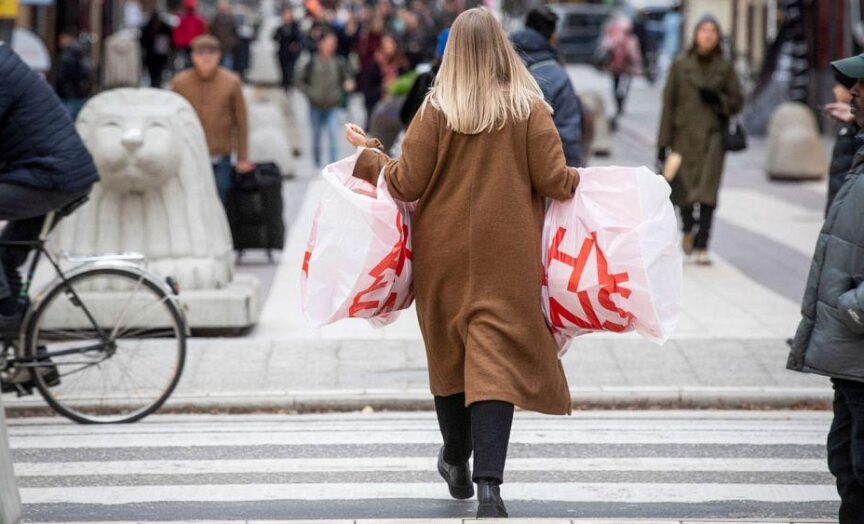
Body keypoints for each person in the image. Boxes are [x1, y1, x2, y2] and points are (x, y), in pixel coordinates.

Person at [344, 8, 579, 518]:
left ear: (452, 53)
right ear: (502, 48)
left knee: (450, 356)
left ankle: (455, 459)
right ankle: (490, 488)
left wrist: (369, 156)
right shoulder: (528, 107)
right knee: (496, 361)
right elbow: (557, 180)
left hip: (443, 254)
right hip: (509, 255)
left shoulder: (437, 109)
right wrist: (592, 183)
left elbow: (405, 183)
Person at [787, 51, 864, 524]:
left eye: (861, 86)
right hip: (851, 360)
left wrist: (852, 307)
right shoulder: (858, 150)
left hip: (857, 343)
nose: (852, 92)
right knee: (848, 467)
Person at [0, 43, 99, 332]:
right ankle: (34, 363)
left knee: (4, 282)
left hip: (51, 177)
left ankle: (5, 315)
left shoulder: (2, 71)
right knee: (6, 257)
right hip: (55, 175)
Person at [656, 15, 743, 265]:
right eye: (703, 30)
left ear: (718, 37)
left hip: (713, 140)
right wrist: (662, 144)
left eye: (712, 31)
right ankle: (688, 229)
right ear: (695, 34)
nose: (707, 35)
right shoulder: (680, 64)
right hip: (683, 139)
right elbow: (668, 105)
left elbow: (737, 101)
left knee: (708, 193)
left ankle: (702, 243)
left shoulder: (725, 67)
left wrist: (718, 100)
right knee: (682, 191)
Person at [171, 35, 252, 205]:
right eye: (201, 52)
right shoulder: (180, 83)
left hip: (220, 154)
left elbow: (241, 122)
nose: (206, 57)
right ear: (193, 56)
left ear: (219, 55)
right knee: (191, 198)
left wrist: (242, 157)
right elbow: (171, 119)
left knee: (219, 198)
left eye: (211, 52)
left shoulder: (231, 82)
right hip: (189, 153)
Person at [511, 5, 585, 168]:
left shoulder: (502, 62)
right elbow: (568, 134)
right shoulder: (558, 76)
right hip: (543, 171)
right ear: (553, 37)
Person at [295, 31, 353, 168]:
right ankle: (317, 163)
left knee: (333, 135)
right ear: (321, 44)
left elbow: (347, 78)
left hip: (333, 105)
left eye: (333, 43)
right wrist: (310, 93)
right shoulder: (311, 62)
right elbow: (299, 80)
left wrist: (347, 85)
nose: (331, 46)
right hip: (315, 105)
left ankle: (334, 164)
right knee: (316, 136)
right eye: (328, 43)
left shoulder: (339, 62)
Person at [823, 71, 861, 214]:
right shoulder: (849, 123)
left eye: (839, 85)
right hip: (840, 204)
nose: (835, 89)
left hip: (848, 207)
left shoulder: (856, 125)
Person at [598, 16, 642, 128]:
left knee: (618, 86)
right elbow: (635, 55)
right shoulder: (628, 39)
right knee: (621, 87)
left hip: (618, 68)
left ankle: (619, 104)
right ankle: (620, 104)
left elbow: (604, 48)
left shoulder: (614, 38)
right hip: (622, 68)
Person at [360, 34, 406, 130]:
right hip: (378, 107)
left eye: (391, 44)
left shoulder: (401, 64)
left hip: (396, 108)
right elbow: (368, 88)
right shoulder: (375, 65)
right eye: (386, 45)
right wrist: (382, 88)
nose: (389, 48)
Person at [55, 28, 93, 120]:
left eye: (62, 38)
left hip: (69, 94)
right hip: (79, 93)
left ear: (68, 38)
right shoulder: (81, 51)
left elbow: (63, 75)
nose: (60, 41)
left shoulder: (68, 54)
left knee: (67, 122)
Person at [140, 10, 174, 88]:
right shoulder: (147, 29)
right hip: (151, 57)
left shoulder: (165, 28)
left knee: (159, 73)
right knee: (152, 74)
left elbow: (171, 40)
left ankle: (157, 85)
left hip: (161, 56)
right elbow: (143, 42)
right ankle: (154, 85)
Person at [273, 7, 303, 91]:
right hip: (282, 53)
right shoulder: (281, 27)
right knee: (283, 72)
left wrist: (296, 45)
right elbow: (275, 37)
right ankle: (285, 86)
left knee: (290, 71)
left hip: (292, 54)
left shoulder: (295, 26)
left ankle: (289, 86)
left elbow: (299, 38)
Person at [173, 0, 207, 68]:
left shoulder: (198, 19)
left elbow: (202, 32)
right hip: (185, 46)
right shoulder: (182, 18)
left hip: (192, 46)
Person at [209, 0, 239, 70]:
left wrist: (233, 43)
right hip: (217, 46)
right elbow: (211, 31)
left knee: (227, 67)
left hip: (228, 47)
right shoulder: (214, 19)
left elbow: (235, 32)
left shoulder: (231, 19)